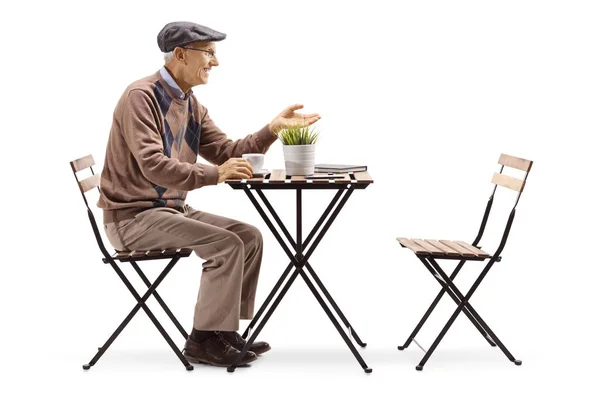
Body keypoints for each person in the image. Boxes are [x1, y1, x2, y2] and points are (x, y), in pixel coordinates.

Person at [97, 21, 320, 367]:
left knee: (249, 237)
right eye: (209, 54)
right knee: (227, 245)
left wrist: (273, 129)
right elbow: (153, 165)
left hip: (167, 211)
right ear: (181, 55)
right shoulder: (140, 97)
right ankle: (205, 340)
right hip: (132, 218)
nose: (215, 63)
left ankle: (220, 333)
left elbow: (228, 151)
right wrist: (216, 176)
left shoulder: (190, 104)